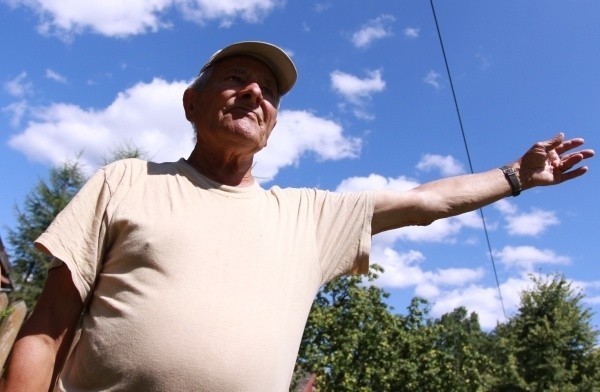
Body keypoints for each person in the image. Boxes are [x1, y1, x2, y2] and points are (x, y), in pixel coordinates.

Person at [0, 41, 594, 391]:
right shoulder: (127, 179)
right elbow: (45, 327)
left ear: (273, 125)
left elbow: (425, 202)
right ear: (193, 101)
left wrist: (515, 175)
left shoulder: (308, 216)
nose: (254, 94)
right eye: (236, 79)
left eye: (269, 93)